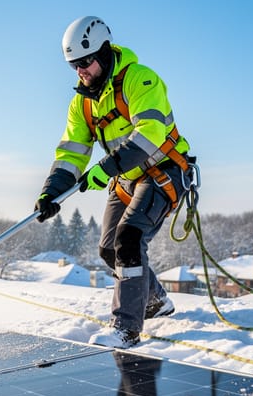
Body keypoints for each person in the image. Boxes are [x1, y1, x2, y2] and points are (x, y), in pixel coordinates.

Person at [35, 16, 192, 348]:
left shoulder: (141, 80)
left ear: (104, 53)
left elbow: (150, 134)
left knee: (130, 238)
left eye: (85, 62)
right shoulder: (83, 104)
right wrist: (52, 191)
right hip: (126, 177)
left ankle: (125, 329)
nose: (81, 71)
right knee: (109, 250)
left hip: (164, 170)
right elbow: (72, 153)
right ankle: (155, 301)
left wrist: (105, 169)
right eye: (74, 65)